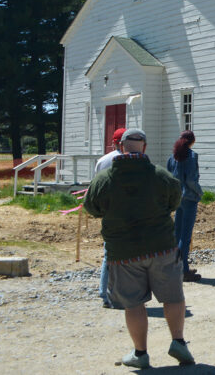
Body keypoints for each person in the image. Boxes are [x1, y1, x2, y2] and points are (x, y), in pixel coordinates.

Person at [83, 128, 195, 368]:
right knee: (174, 297)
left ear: (121, 147)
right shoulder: (161, 176)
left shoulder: (104, 179)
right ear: (144, 147)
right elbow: (175, 201)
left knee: (133, 303)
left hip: (123, 252)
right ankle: (178, 342)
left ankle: (140, 354)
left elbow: (91, 208)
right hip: (162, 248)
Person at [95, 127, 125, 307]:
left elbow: (95, 189)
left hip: (108, 212)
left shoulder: (102, 161)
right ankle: (120, 293)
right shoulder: (132, 161)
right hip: (125, 212)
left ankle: (105, 292)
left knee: (110, 253)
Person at [167, 130, 203, 282]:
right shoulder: (192, 156)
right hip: (189, 198)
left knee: (177, 233)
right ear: (192, 141)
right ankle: (184, 270)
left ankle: (174, 267)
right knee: (185, 236)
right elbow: (191, 180)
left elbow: (169, 176)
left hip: (177, 198)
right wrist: (199, 193)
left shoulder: (173, 157)